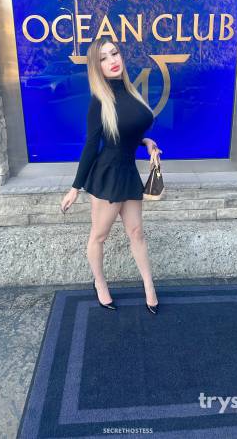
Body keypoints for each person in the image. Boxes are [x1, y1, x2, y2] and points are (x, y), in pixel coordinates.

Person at [61, 38, 162, 314]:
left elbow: (126, 131)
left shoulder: (131, 91)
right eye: (103, 58)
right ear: (97, 68)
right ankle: (100, 283)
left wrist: (145, 142)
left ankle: (149, 286)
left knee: (137, 232)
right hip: (106, 175)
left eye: (114, 53)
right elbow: (92, 144)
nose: (112, 61)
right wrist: (75, 187)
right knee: (99, 235)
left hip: (128, 171)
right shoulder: (99, 100)